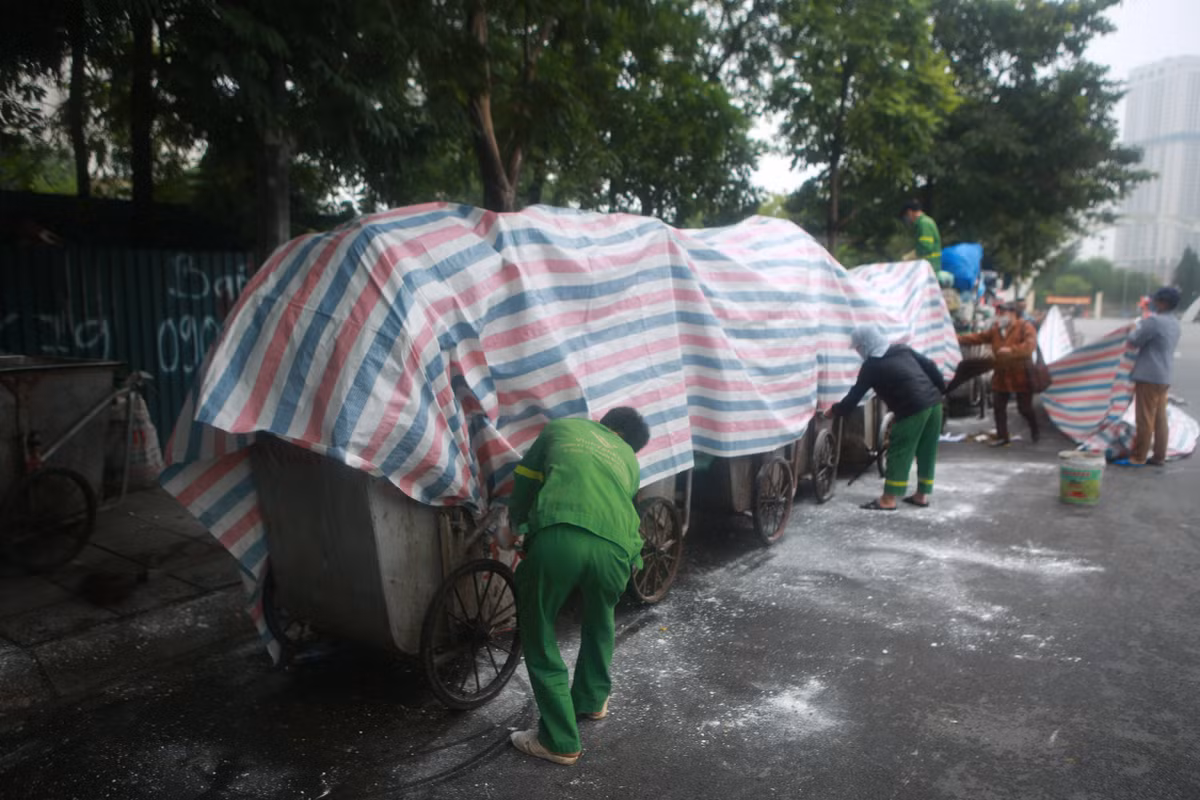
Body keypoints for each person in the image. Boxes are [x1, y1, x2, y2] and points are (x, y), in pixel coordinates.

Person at [506, 407, 651, 765]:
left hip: (561, 536)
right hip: (617, 551)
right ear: (629, 441)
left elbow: (525, 479)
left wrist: (516, 524)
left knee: (539, 629)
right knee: (600, 620)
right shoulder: (629, 460)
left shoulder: (561, 428)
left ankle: (558, 740)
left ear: (605, 421)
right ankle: (592, 699)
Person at [825, 325, 946, 510]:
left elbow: (854, 396)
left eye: (858, 347)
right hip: (935, 404)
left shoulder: (871, 366)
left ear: (866, 344)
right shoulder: (902, 349)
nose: (858, 352)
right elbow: (930, 366)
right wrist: (941, 390)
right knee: (927, 451)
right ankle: (922, 495)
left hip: (912, 408)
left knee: (900, 451)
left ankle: (888, 499)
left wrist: (835, 411)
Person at [1115, 286, 1182, 467]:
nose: (1154, 303)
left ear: (1163, 303)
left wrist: (1132, 328)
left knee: (1144, 418)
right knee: (1160, 418)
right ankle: (1159, 456)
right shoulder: (1175, 323)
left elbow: (1135, 340)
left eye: (1157, 300)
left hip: (1149, 375)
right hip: (1164, 375)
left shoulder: (1154, 322)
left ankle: (1139, 456)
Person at [957, 302, 1040, 446]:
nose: (1000, 316)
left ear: (1013, 313)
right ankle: (1003, 437)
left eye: (1003, 313)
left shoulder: (1025, 326)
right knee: (998, 406)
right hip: (1001, 373)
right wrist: (957, 338)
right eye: (999, 313)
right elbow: (979, 338)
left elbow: (1030, 346)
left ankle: (1035, 429)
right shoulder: (996, 329)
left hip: (1020, 373)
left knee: (1024, 408)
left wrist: (1012, 350)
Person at [901, 199, 942, 273]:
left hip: (930, 268)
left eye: (906, 216)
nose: (906, 220)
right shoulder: (924, 222)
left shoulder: (924, 224)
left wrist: (909, 256)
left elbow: (925, 247)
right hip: (929, 267)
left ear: (909, 212)